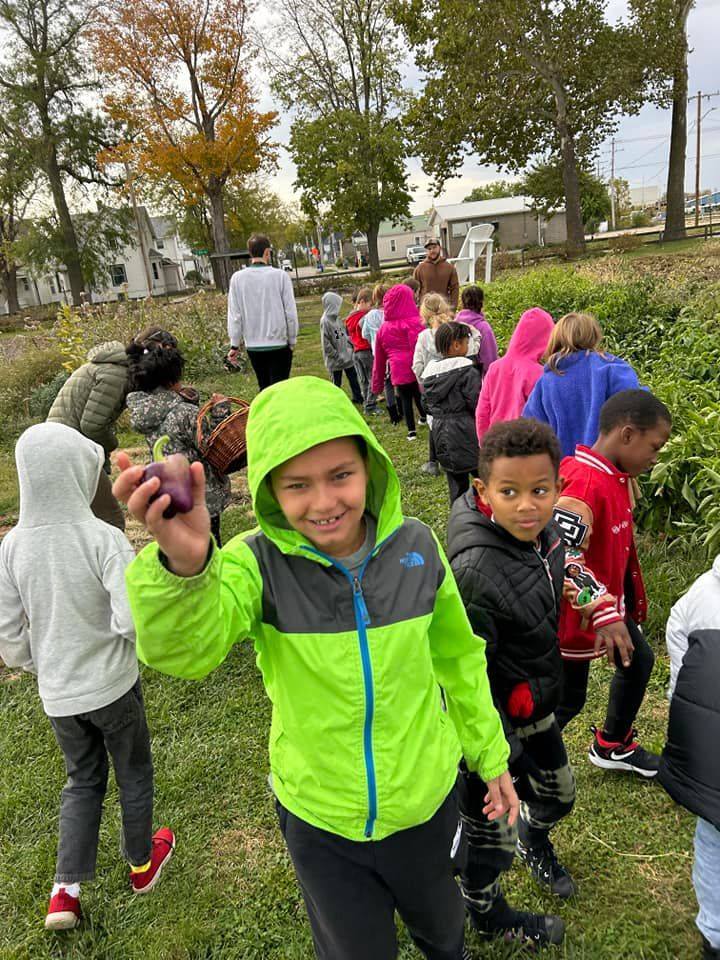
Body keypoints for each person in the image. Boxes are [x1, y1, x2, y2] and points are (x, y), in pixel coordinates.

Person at [112, 375, 518, 960]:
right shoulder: (255, 565)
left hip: (425, 800)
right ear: (269, 488)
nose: (324, 502)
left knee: (443, 933)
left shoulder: (419, 548)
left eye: (340, 476)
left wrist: (490, 755)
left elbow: (458, 658)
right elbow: (188, 652)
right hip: (320, 818)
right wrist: (186, 565)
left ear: (370, 466)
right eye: (297, 484)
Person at [0, 423, 174, 931]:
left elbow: (10, 638)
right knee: (133, 771)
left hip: (59, 696)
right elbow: (130, 620)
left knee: (82, 780)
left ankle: (65, 892)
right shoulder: (104, 539)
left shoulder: (10, 549)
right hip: (113, 688)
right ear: (79, 474)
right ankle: (142, 863)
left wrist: (43, 664)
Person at [447, 418, 575, 947]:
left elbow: (558, 572)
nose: (528, 505)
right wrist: (497, 748)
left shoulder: (543, 533)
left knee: (558, 796)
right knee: (487, 840)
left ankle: (534, 837)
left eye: (540, 490)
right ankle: (484, 911)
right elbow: (465, 672)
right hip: (490, 731)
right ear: (483, 492)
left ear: (557, 487)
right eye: (510, 492)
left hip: (535, 703)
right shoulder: (475, 569)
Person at [552, 389, 672, 776]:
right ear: (626, 435)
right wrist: (601, 607)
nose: (655, 458)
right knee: (566, 702)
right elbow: (562, 560)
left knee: (639, 662)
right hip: (573, 623)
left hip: (610, 612)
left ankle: (612, 744)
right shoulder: (584, 485)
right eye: (653, 447)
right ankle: (515, 765)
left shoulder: (616, 477)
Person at [660, 559, 720, 960]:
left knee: (713, 836)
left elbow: (681, 691)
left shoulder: (697, 597)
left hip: (711, 757)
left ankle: (714, 933)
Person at [125, 332, 231, 547]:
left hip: (169, 492)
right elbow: (213, 444)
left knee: (184, 543)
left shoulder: (144, 410)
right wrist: (221, 411)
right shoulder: (184, 413)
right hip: (200, 493)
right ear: (172, 378)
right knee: (210, 544)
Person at [522, 312, 639, 457]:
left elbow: (530, 431)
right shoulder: (611, 368)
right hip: (607, 469)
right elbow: (639, 406)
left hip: (563, 474)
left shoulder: (546, 382)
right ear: (593, 335)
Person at [46, 340, 129, 530]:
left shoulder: (107, 367)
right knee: (111, 521)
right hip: (69, 449)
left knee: (81, 520)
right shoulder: (116, 375)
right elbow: (93, 426)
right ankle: (115, 560)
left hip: (61, 444)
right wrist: (112, 443)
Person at [227, 233, 299, 391]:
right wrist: (292, 338)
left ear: (250, 252)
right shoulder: (280, 276)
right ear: (267, 252)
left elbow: (235, 315)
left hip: (254, 345)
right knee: (280, 390)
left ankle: (266, 415)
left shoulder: (237, 279)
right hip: (279, 343)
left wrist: (235, 344)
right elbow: (290, 312)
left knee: (264, 387)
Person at [421, 322, 481, 503]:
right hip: (466, 431)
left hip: (441, 433)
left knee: (456, 483)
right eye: (465, 342)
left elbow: (426, 404)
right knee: (484, 478)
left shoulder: (429, 375)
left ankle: (459, 519)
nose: (467, 345)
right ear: (456, 345)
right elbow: (476, 402)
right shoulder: (467, 371)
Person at [476, 308, 554, 444]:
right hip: (524, 447)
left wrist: (484, 443)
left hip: (495, 443)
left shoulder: (495, 367)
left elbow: (482, 411)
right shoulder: (539, 373)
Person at [371, 284, 425, 441]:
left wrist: (377, 385)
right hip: (415, 367)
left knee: (405, 398)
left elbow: (379, 360)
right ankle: (423, 416)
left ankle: (411, 431)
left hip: (397, 370)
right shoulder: (417, 322)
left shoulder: (383, 329)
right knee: (418, 393)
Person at [361, 283, 401, 425]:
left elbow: (364, 333)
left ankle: (393, 414)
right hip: (394, 351)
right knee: (397, 380)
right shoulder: (393, 313)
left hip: (378, 353)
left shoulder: (371, 315)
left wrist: (373, 337)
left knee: (387, 383)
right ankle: (401, 408)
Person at [320, 291, 364, 403]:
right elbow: (326, 343)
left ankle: (358, 397)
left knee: (353, 377)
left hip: (347, 356)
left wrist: (350, 344)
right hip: (336, 360)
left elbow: (342, 334)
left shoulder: (337, 319)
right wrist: (335, 355)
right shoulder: (325, 322)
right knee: (336, 382)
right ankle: (336, 401)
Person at [345, 287, 377, 414]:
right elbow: (367, 333)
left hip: (356, 352)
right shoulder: (364, 317)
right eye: (370, 304)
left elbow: (345, 335)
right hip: (365, 350)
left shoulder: (349, 317)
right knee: (373, 378)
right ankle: (370, 405)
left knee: (363, 379)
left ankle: (366, 402)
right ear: (362, 302)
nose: (371, 308)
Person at [455, 286, 498, 378]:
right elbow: (490, 360)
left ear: (462, 302)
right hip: (476, 380)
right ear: (481, 303)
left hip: (455, 378)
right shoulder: (483, 327)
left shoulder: (454, 323)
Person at [413, 239, 460, 308]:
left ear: (440, 248)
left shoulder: (449, 268)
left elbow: (455, 288)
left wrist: (453, 307)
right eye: (429, 249)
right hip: (426, 309)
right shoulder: (419, 269)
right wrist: (416, 306)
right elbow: (413, 289)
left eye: (434, 247)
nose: (432, 251)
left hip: (444, 308)